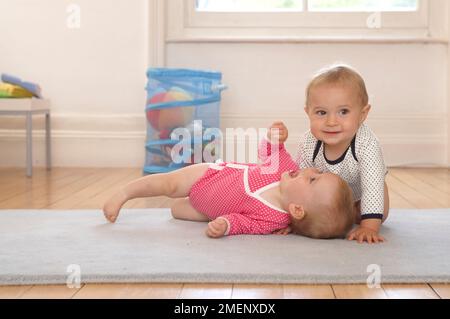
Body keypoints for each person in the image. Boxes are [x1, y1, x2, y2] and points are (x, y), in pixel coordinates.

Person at [103, 122, 355, 239]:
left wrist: (224, 224)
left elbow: (243, 222)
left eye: (313, 180)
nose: (310, 170)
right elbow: (269, 152)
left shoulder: (272, 220)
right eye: (318, 173)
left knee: (177, 210)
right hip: (210, 175)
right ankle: (125, 193)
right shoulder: (286, 169)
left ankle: (187, 206)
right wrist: (273, 139)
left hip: (209, 210)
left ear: (297, 210)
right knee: (168, 185)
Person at [293, 64, 390, 244]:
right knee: (318, 212)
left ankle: (357, 215)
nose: (331, 122)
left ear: (362, 114)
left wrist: (369, 227)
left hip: (360, 195)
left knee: (371, 211)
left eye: (343, 112)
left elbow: (372, 187)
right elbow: (301, 183)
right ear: (308, 113)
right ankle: (339, 213)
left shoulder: (366, 143)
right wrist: (292, 219)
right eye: (321, 113)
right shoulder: (309, 142)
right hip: (330, 197)